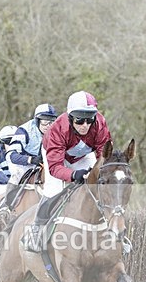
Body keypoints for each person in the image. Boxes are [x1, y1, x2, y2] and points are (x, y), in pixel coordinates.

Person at [24, 91, 112, 251]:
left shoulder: (100, 125)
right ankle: (36, 230)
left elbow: (104, 156)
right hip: (57, 157)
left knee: (101, 185)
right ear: (70, 117)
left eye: (89, 119)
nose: (85, 124)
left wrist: (101, 172)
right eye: (79, 119)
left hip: (84, 155)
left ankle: (113, 231)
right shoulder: (58, 129)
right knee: (54, 189)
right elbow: (55, 167)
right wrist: (73, 174)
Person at [0, 103, 58, 212]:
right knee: (17, 175)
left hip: (41, 160)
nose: (48, 126)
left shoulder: (56, 131)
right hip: (20, 161)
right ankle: (6, 205)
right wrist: (30, 160)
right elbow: (12, 156)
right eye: (45, 122)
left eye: (51, 122)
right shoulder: (24, 131)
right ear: (37, 121)